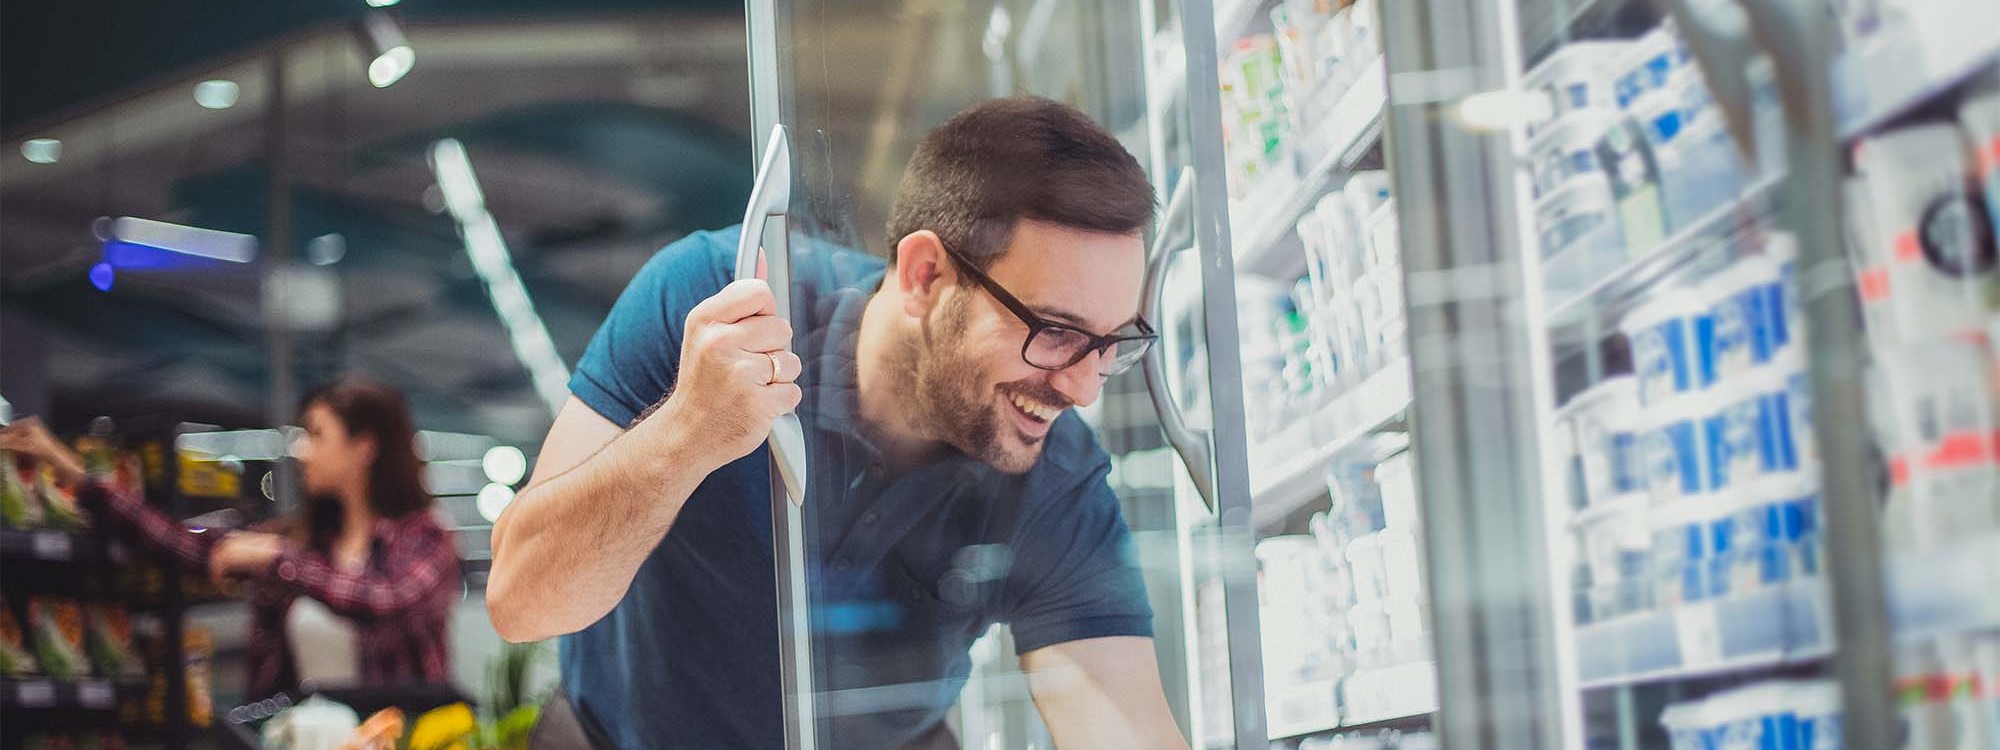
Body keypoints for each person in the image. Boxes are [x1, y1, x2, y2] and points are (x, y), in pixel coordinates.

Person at [487, 96, 1187, 749]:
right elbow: (523, 603)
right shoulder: (718, 303)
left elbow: (1120, 725)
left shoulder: (1055, 474)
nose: (1082, 388)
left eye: (1110, 344)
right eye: (1056, 331)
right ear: (925, 277)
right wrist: (687, 432)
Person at [0, 378, 462, 701]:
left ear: (365, 447)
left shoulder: (427, 539)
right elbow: (189, 546)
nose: (301, 450)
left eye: (317, 435)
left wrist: (279, 561)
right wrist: (79, 478)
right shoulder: (304, 541)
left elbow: (384, 600)